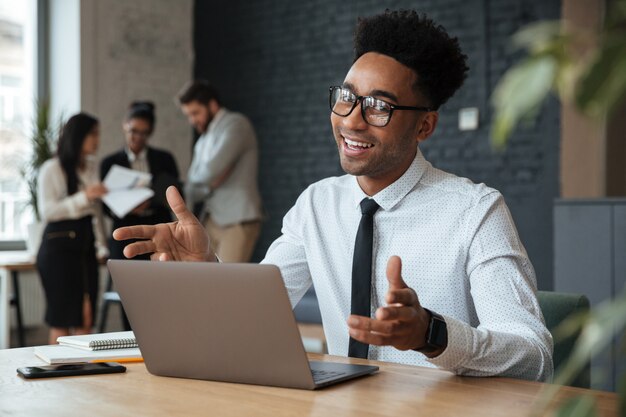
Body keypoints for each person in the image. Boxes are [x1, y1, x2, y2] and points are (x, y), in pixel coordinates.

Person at [114, 10, 553, 381]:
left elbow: (535, 355)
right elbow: (256, 315)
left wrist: (431, 334)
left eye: (379, 106)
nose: (352, 121)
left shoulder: (475, 210)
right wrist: (205, 268)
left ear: (425, 126)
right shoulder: (316, 204)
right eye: (346, 97)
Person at [100, 101, 180, 329]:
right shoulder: (110, 162)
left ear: (150, 133)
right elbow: (105, 206)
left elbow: (175, 194)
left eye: (143, 133)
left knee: (160, 291)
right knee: (130, 294)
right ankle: (133, 339)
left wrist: (150, 200)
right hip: (125, 231)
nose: (137, 138)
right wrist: (127, 206)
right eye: (133, 131)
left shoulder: (164, 159)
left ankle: (162, 336)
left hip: (156, 228)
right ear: (125, 126)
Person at [36, 112, 108, 344]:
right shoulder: (52, 169)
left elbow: (95, 214)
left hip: (85, 247)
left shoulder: (90, 167)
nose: (97, 140)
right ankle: (57, 377)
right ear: (78, 136)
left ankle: (83, 378)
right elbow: (48, 211)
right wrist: (83, 197)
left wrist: (101, 246)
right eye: (93, 134)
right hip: (59, 250)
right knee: (62, 320)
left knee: (86, 320)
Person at [178, 80, 263, 262]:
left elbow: (209, 171)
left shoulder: (236, 124)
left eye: (195, 113)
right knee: (199, 281)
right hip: (212, 219)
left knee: (225, 285)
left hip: (238, 220)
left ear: (212, 105)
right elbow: (191, 188)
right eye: (188, 115)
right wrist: (209, 186)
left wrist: (207, 179)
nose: (192, 120)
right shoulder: (203, 139)